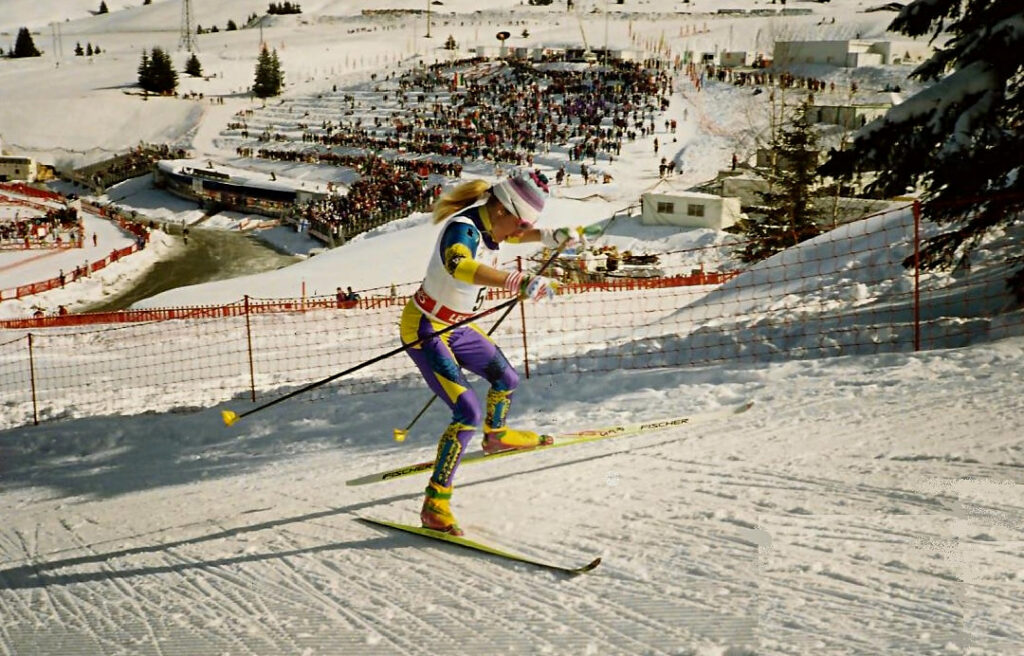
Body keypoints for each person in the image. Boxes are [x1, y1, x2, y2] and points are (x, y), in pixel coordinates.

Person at [401, 169, 581, 535]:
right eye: (519, 223)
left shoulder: (492, 225)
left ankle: (496, 435)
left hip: (459, 326)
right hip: (427, 328)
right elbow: (459, 264)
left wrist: (552, 236)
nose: (519, 232)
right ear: (501, 211)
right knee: (466, 410)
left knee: (506, 377)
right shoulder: (462, 229)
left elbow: (515, 236)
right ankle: (435, 503)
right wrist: (517, 280)